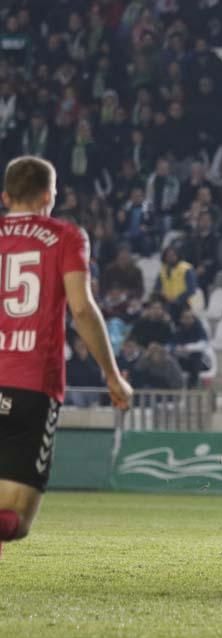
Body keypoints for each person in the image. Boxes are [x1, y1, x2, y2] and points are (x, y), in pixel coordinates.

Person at [0, 156, 132, 556]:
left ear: (6, 196)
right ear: (49, 196)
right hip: (31, 385)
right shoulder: (65, 237)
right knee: (14, 521)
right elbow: (82, 309)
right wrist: (112, 374)